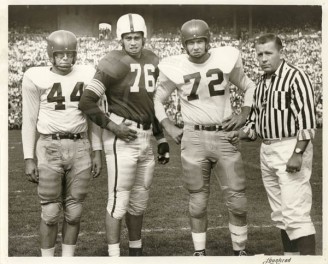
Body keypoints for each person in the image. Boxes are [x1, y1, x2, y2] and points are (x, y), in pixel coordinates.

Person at [154, 19, 256, 256]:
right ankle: (199, 253)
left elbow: (249, 86)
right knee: (197, 201)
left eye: (201, 41)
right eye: (191, 42)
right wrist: (168, 125)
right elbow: (158, 100)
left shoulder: (225, 59)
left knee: (237, 200)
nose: (197, 46)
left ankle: (239, 252)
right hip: (194, 137)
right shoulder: (175, 67)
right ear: (184, 45)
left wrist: (245, 112)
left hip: (224, 135)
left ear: (208, 41)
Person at [79, 13, 170, 257]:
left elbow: (152, 103)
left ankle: (135, 252)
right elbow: (87, 101)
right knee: (118, 201)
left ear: (143, 37)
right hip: (122, 138)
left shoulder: (153, 58)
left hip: (146, 137)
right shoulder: (112, 62)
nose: (133, 42)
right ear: (121, 39)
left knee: (139, 202)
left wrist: (160, 138)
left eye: (136, 37)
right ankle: (113, 255)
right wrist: (113, 127)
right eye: (128, 38)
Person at [227, 33, 317, 255]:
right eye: (260, 54)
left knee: (296, 213)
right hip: (267, 149)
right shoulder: (261, 83)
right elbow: (256, 122)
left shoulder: (296, 77)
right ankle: (290, 258)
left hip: (290, 146)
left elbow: (306, 120)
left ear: (280, 52)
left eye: (269, 53)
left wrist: (297, 153)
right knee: (280, 213)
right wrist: (241, 134)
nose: (263, 58)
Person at [22, 30, 102, 257]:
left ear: (76, 55)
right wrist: (29, 157)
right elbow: (29, 119)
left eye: (70, 54)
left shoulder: (87, 73)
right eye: (60, 55)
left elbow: (93, 115)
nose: (65, 59)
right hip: (49, 146)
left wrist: (97, 150)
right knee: (49, 213)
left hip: (80, 146)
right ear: (51, 55)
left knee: (74, 211)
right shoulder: (35, 76)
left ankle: (68, 260)